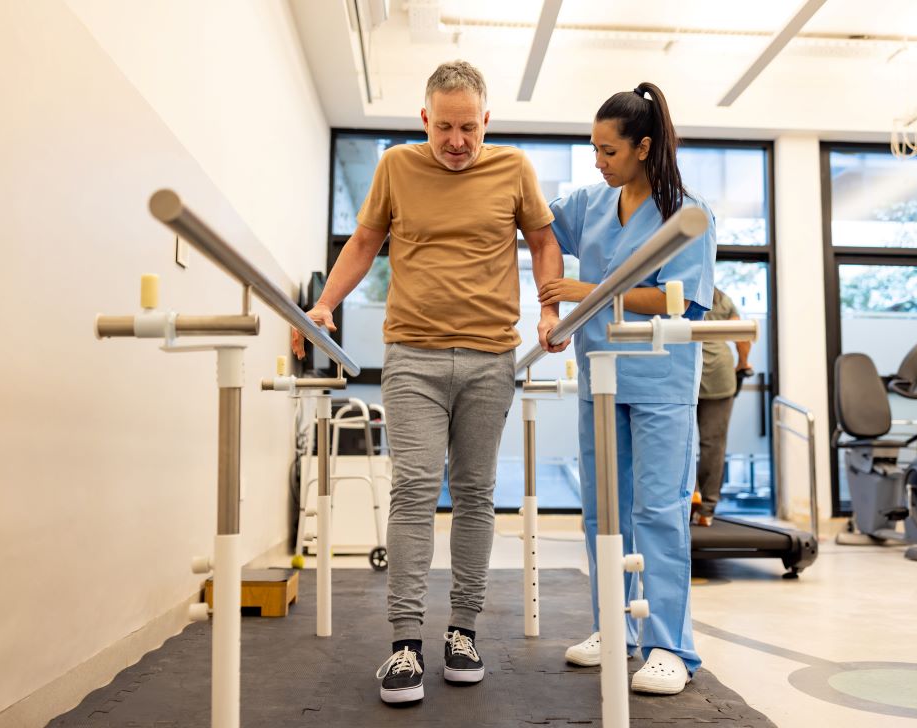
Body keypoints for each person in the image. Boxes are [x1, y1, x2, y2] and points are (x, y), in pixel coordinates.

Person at [292, 60, 567, 705]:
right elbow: (364, 240)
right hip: (412, 354)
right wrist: (325, 304)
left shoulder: (514, 170)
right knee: (414, 489)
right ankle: (405, 645)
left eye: (468, 128)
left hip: (489, 357)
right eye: (443, 127)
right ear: (425, 120)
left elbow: (543, 241)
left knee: (474, 492)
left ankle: (464, 631)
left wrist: (549, 307)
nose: (456, 141)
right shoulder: (394, 167)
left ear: (486, 121)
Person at [538, 81, 715, 695]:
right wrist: (547, 311)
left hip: (660, 378)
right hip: (601, 377)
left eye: (607, 151)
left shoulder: (685, 212)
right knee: (604, 513)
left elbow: (677, 298)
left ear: (642, 147)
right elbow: (537, 231)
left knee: (659, 511)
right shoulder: (588, 203)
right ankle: (611, 625)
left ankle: (670, 645)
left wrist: (586, 293)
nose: (597, 160)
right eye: (593, 149)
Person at [693, 288, 753, 526]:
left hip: (686, 371)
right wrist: (743, 363)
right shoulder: (721, 298)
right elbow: (742, 337)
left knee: (678, 439)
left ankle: (689, 495)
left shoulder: (676, 291)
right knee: (713, 444)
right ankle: (707, 510)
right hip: (720, 372)